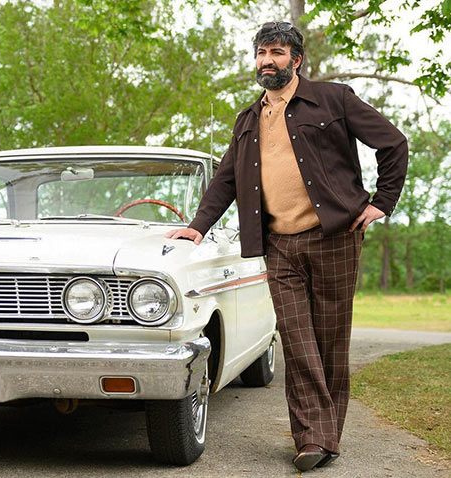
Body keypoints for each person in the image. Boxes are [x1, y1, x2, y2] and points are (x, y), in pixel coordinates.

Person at [166, 22, 407, 472]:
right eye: (260, 52)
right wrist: (198, 227)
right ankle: (312, 439)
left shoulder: (334, 99)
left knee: (330, 342)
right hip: (279, 246)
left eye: (276, 52)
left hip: (334, 238)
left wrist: (381, 203)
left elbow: (393, 144)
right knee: (297, 341)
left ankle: (325, 434)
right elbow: (225, 181)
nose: (266, 61)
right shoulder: (247, 120)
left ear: (296, 59)